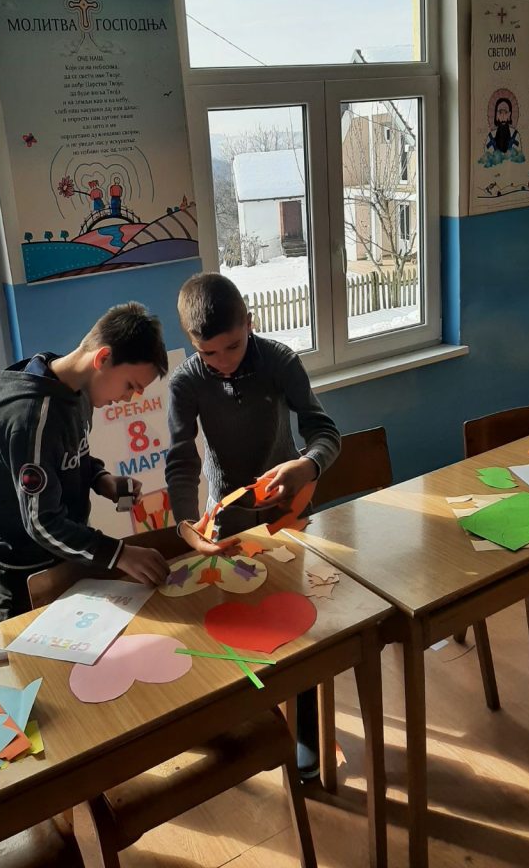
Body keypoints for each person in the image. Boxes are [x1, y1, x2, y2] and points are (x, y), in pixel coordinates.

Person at [165, 273, 341, 779]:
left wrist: (307, 465)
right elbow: (181, 459)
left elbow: (323, 430)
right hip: (229, 524)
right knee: (237, 627)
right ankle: (250, 725)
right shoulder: (186, 382)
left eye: (233, 346)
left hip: (287, 518)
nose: (223, 361)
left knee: (296, 622)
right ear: (192, 343)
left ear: (249, 322)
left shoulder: (280, 361)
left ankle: (304, 727)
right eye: (208, 353)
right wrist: (185, 522)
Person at [0, 301, 221, 622]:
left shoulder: (74, 390)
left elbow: (69, 456)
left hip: (63, 550)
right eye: (130, 386)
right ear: (103, 358)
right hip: (22, 568)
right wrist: (119, 554)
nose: (128, 398)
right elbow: (40, 522)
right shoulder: (31, 419)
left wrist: (102, 480)